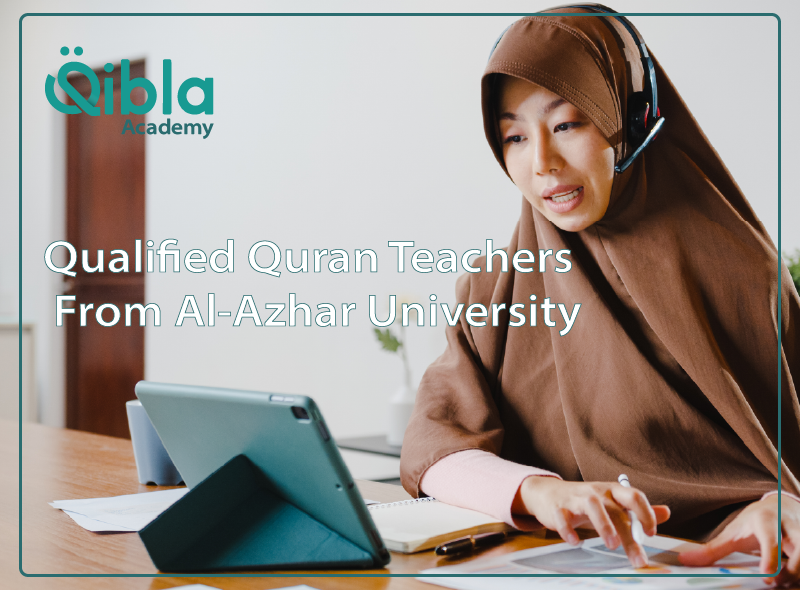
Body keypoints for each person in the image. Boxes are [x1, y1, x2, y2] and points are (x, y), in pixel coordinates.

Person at [399, 5, 800, 585]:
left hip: (729, 567)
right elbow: (433, 449)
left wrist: (779, 506)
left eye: (567, 124)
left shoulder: (740, 273)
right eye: (513, 136)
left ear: (633, 120)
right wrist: (538, 492)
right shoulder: (496, 285)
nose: (542, 164)